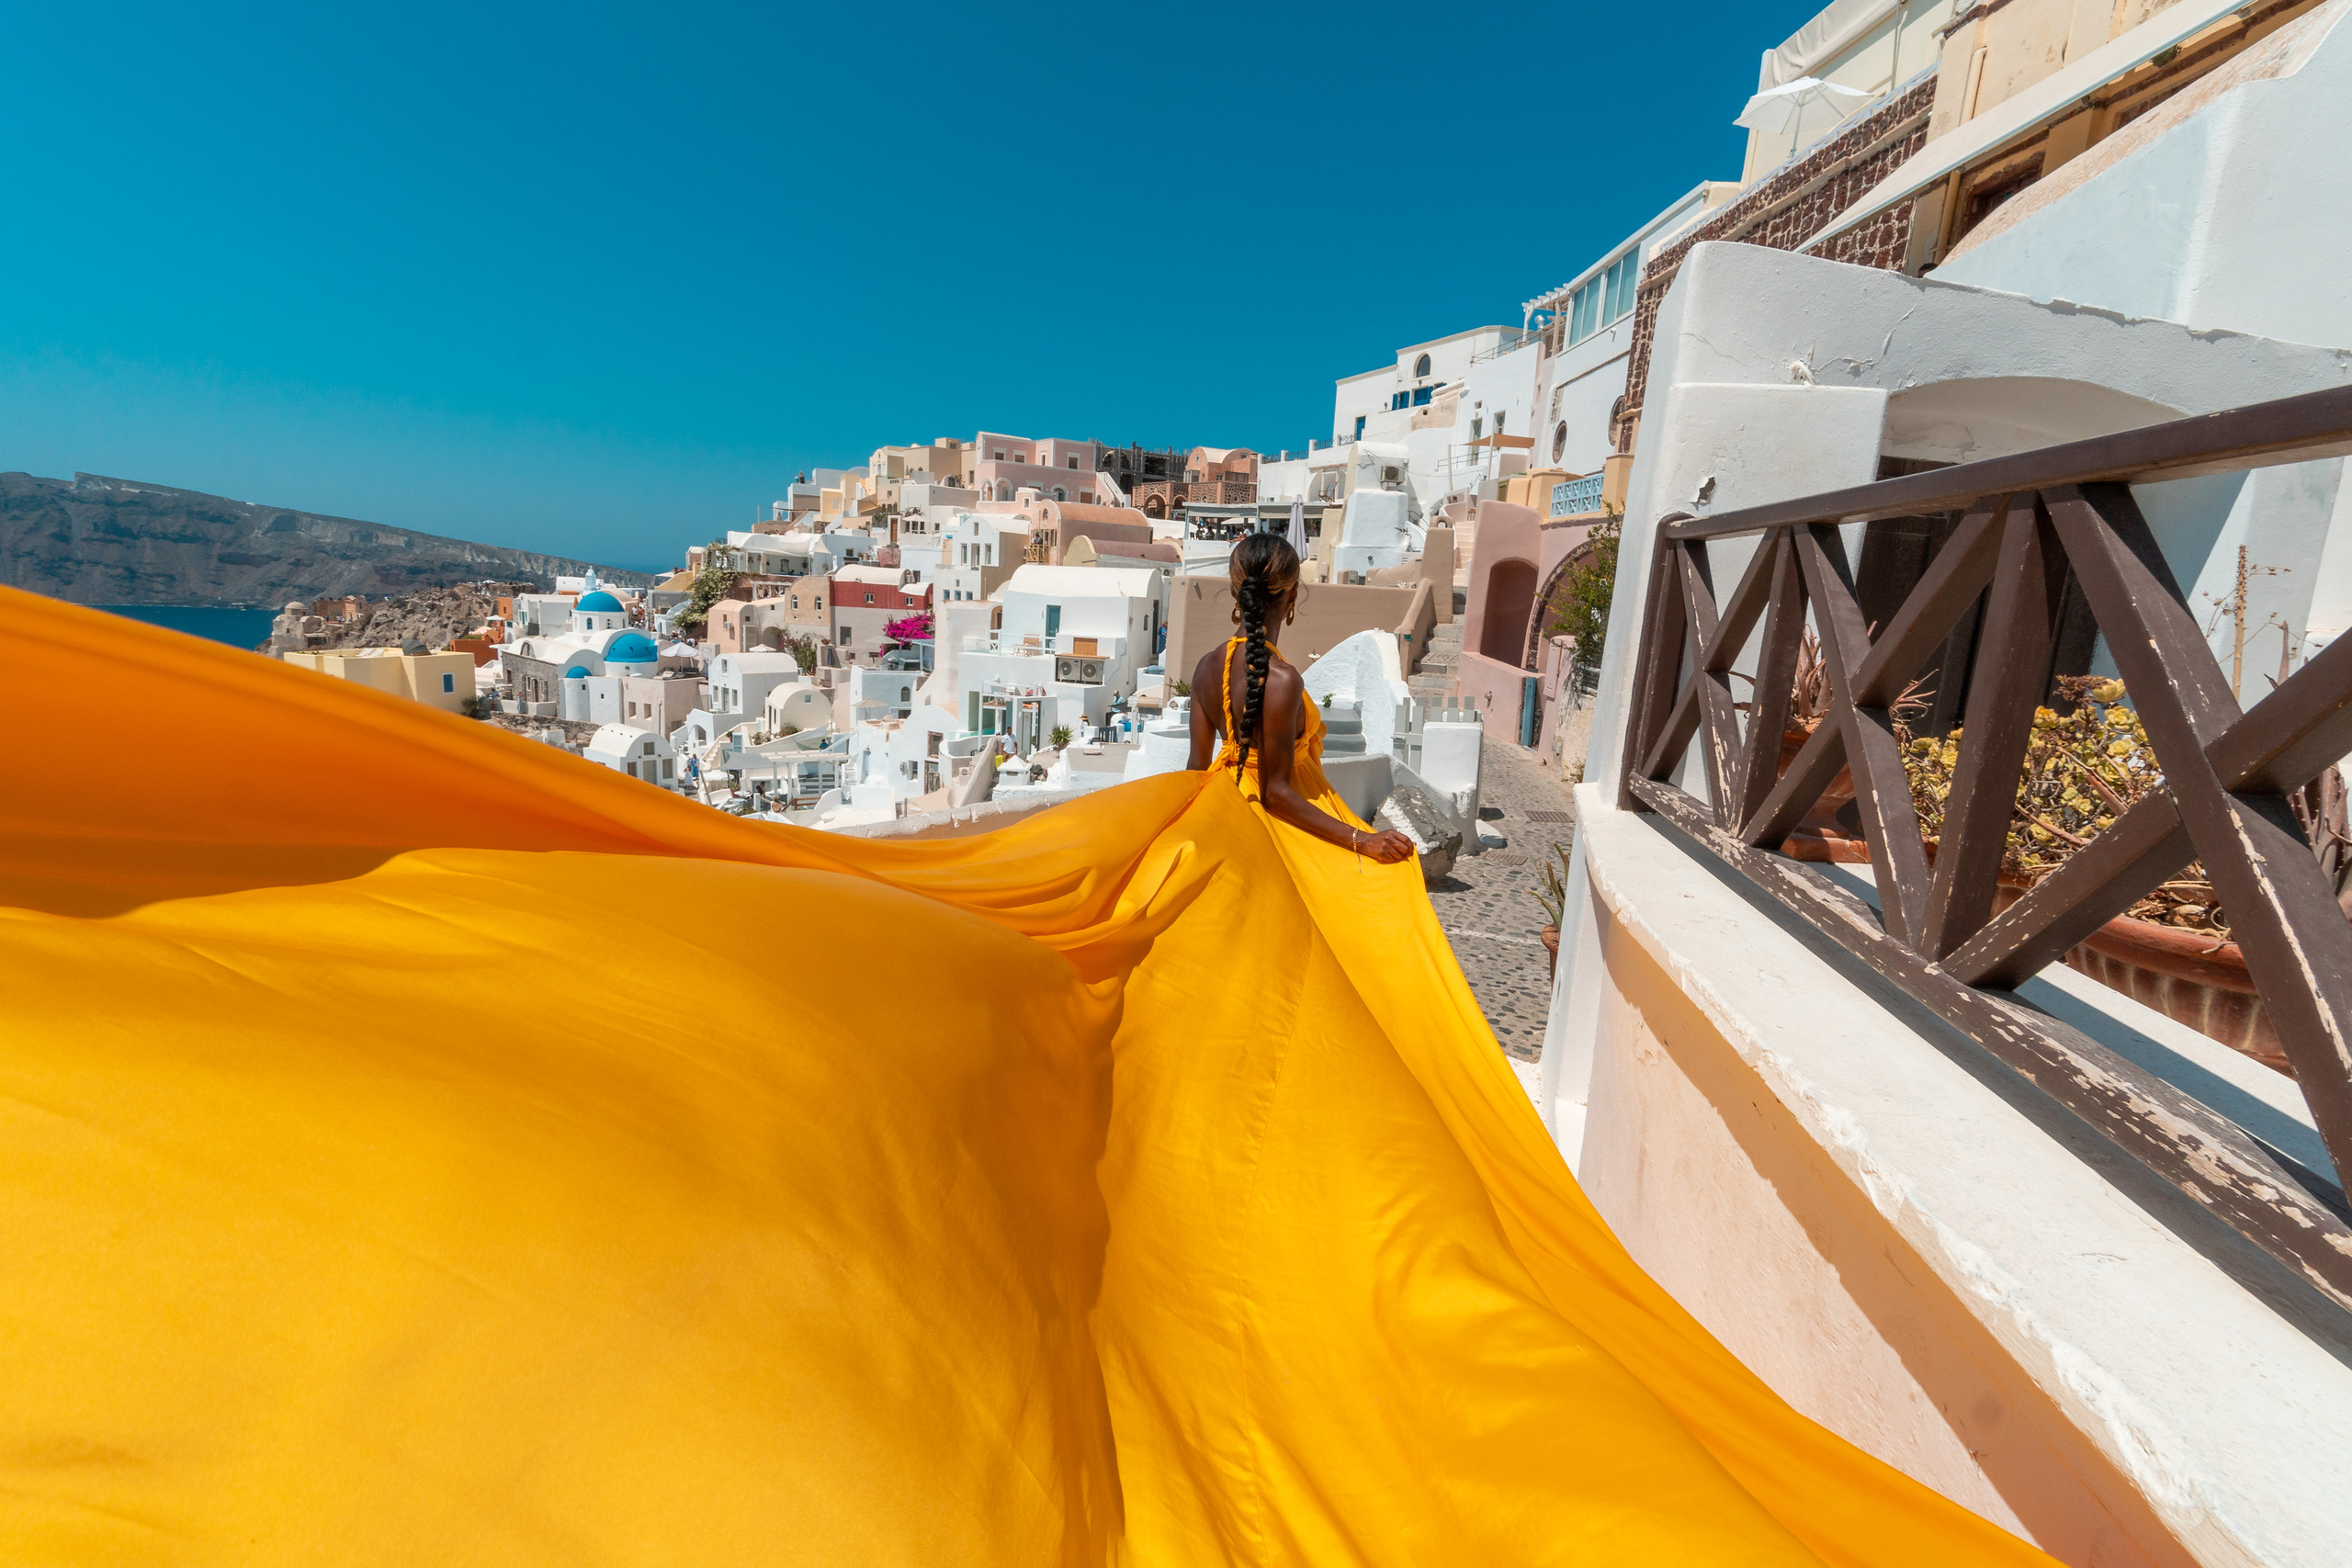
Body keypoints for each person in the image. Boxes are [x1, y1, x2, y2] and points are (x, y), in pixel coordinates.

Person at [0, 583, 2053, 1566]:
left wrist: (1240, 828)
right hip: (1227, 844)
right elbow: (1268, 786)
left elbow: (1222, 774)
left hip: (1203, 836)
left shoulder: (1214, 693)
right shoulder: (1261, 694)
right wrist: (1291, 843)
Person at [1187, 530, 1417, 863]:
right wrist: (1362, 840)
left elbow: (1195, 769)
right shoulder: (1282, 679)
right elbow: (1275, 794)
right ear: (1292, 593)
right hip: (1285, 827)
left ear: (1236, 590)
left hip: (1228, 812)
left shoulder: (1206, 666)